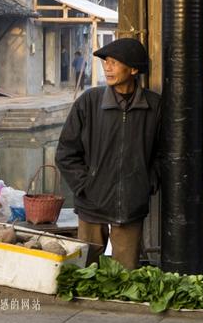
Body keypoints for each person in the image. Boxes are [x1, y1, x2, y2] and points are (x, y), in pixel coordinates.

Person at [55, 38, 161, 270]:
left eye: (114, 62)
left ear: (133, 69)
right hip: (91, 202)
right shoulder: (89, 102)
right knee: (86, 270)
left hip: (131, 203)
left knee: (126, 274)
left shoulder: (154, 106)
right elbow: (65, 152)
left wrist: (148, 182)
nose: (107, 68)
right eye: (106, 63)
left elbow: (164, 153)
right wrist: (86, 185)